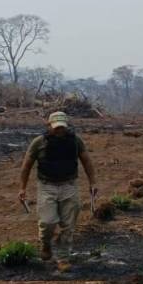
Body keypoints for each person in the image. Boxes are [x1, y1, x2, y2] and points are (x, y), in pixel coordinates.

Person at [17, 111, 97, 261]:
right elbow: (26, 165)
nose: (59, 130)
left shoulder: (75, 141)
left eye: (62, 127)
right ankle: (45, 244)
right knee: (48, 222)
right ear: (49, 126)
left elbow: (87, 161)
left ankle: (63, 256)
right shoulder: (39, 142)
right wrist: (22, 188)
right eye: (56, 127)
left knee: (68, 225)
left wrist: (93, 182)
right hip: (47, 186)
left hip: (69, 186)